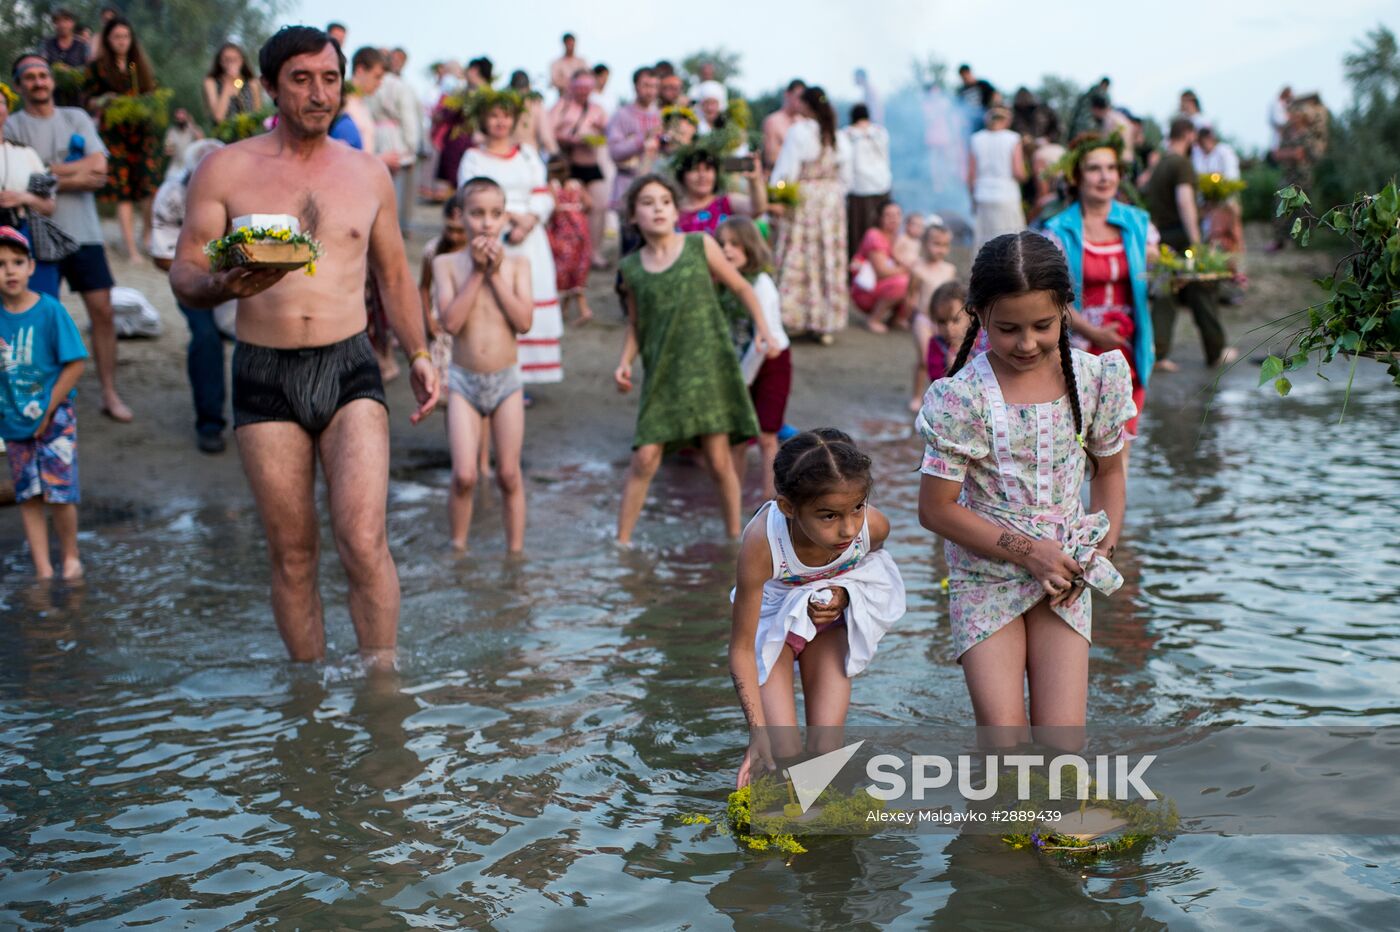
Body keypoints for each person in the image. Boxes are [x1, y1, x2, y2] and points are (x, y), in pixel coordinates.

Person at [169, 25, 439, 666]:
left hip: (349, 366)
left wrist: (421, 355)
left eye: (330, 78)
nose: (319, 94)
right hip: (264, 370)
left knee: (364, 541)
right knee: (292, 554)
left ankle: (381, 689)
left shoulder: (367, 173)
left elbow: (394, 276)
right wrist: (219, 282)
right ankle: (309, 692)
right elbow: (184, 271)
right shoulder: (225, 168)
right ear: (269, 85)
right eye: (301, 79)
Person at [916, 231, 1134, 734]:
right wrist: (1029, 551)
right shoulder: (962, 397)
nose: (1027, 343)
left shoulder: (1095, 379)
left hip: (1064, 575)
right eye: (1008, 328)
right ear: (978, 314)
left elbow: (1110, 474)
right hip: (984, 574)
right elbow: (935, 509)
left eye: (1042, 325)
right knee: (1004, 741)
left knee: (1063, 744)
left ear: (1065, 309)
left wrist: (1098, 554)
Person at [729, 428, 904, 786]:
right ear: (788, 508)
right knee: (781, 751)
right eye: (828, 516)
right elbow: (742, 649)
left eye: (857, 508)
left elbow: (873, 572)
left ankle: (816, 817)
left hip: (828, 627)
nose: (848, 530)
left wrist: (844, 594)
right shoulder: (763, 543)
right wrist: (756, 733)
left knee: (827, 752)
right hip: (772, 628)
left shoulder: (873, 528)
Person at [613, 174, 776, 545]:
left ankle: (735, 537)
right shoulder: (631, 268)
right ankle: (622, 542)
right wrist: (624, 362)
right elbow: (636, 324)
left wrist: (763, 328)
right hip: (663, 374)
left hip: (708, 369)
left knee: (718, 459)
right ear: (633, 216)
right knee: (645, 456)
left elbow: (741, 286)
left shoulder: (699, 245)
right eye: (647, 203)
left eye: (665, 202)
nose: (658, 209)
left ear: (676, 211)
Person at [8, 54, 133, 421]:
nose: (38, 81)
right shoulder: (12, 125)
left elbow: (100, 168)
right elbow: (19, 180)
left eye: (43, 75)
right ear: (19, 85)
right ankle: (41, 397)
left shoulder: (75, 117)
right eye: (29, 77)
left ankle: (109, 392)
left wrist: (44, 173)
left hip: (85, 232)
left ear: (51, 80)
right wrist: (73, 176)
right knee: (39, 316)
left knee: (103, 311)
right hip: (34, 235)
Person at [434, 178, 533, 552]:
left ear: (506, 217)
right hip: (464, 381)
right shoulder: (446, 264)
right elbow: (450, 323)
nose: (487, 222)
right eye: (477, 213)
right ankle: (458, 550)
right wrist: (477, 273)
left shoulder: (518, 264)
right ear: (461, 216)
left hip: (506, 381)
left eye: (495, 213)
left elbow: (524, 322)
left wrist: (494, 274)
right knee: (464, 475)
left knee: (508, 474)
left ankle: (515, 555)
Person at [1043, 133, 1156, 451]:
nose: (1105, 177)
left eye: (1111, 168)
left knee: (1122, 441)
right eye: (1094, 169)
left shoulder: (1139, 223)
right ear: (1076, 177)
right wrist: (1093, 332)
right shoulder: (1057, 230)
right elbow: (1051, 299)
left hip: (1129, 344)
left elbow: (1155, 277)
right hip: (1077, 344)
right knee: (1077, 442)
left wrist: (1175, 272)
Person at [0, 226, 88, 579]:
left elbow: (76, 362)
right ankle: (42, 568)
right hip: (12, 420)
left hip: (55, 418)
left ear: (31, 267)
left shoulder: (50, 310)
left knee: (60, 492)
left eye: (17, 262)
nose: (9, 270)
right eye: (1, 264)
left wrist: (49, 409)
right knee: (28, 495)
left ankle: (70, 557)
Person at [459, 90, 563, 386]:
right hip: (492, 235)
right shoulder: (473, 157)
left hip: (530, 240)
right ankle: (499, 371)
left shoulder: (527, 155)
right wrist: (507, 218)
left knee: (529, 296)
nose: (500, 122)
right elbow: (470, 197)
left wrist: (528, 221)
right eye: (494, 116)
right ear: (483, 119)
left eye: (506, 116)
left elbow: (542, 194)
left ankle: (528, 375)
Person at [149, 138, 232, 453]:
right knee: (206, 336)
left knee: (254, 338)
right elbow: (162, 256)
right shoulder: (171, 195)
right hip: (192, 276)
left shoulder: (240, 189)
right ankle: (210, 423)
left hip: (236, 277)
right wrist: (199, 275)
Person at [1143, 118, 1235, 369]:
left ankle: (1159, 353)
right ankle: (1216, 350)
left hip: (1161, 239)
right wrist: (1196, 242)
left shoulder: (1160, 164)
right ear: (1187, 134)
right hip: (1181, 238)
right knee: (1202, 290)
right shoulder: (1181, 164)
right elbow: (1184, 202)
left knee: (1165, 293)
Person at [717, 217, 791, 500]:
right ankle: (733, 500)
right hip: (740, 365)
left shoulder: (761, 284)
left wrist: (742, 381)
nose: (727, 250)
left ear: (749, 247)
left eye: (734, 244)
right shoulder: (722, 284)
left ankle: (770, 501)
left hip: (771, 360)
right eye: (722, 244)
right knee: (737, 438)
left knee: (766, 435)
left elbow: (765, 342)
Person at [771, 85, 851, 341]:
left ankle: (796, 317)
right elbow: (847, 178)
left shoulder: (799, 132)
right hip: (831, 202)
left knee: (801, 255)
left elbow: (786, 171)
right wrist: (833, 195)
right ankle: (824, 322)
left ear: (805, 105)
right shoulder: (840, 136)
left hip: (805, 199)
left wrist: (778, 195)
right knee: (827, 257)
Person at [83, 17, 160, 263]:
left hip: (141, 135)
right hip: (115, 136)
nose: (122, 41)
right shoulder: (98, 68)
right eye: (117, 37)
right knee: (122, 192)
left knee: (149, 188)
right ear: (108, 39)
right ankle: (131, 248)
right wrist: (104, 100)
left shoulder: (140, 66)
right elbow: (87, 100)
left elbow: (153, 95)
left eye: (125, 36)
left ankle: (147, 236)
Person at [549, 70, 609, 267]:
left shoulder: (597, 109)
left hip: (591, 164)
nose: (584, 91)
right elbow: (548, 132)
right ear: (572, 87)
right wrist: (569, 139)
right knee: (569, 211)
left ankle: (594, 252)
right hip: (569, 167)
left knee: (599, 206)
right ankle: (570, 254)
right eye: (580, 87)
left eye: (587, 87)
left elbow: (608, 131)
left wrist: (598, 134)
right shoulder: (562, 107)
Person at [370, 46, 423, 233]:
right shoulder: (399, 86)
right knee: (396, 190)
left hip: (376, 137)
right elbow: (409, 118)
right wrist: (412, 145)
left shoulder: (374, 83)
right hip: (396, 140)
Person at [419, 197, 469, 396]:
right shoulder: (432, 250)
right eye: (450, 229)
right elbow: (423, 287)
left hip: (466, 325)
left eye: (460, 230)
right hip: (440, 326)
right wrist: (428, 320)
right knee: (441, 387)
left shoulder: (475, 253)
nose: (454, 236)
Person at [907, 220, 958, 409]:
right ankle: (916, 395)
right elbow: (911, 295)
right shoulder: (918, 268)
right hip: (923, 318)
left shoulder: (949, 269)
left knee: (946, 359)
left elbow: (952, 296)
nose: (940, 249)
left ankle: (940, 395)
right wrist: (909, 317)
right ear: (924, 243)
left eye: (945, 245)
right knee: (923, 359)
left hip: (943, 321)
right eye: (936, 244)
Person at [0, 84, 56, 249]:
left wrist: (23, 198)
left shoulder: (26, 153)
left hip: (21, 239)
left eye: (1, 103)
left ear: (7, 111)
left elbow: (49, 206)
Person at [605, 67, 661, 230]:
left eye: (654, 86)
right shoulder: (622, 115)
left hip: (656, 186)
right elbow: (615, 151)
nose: (650, 91)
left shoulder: (661, 115)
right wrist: (642, 139)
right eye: (646, 85)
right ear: (636, 86)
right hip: (628, 185)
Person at [968, 105, 1026, 251]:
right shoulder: (1013, 138)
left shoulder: (976, 138)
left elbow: (971, 175)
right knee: (1011, 242)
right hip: (1007, 194)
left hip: (982, 195)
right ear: (1007, 120)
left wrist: (972, 198)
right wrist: (1026, 178)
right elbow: (1018, 171)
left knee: (984, 242)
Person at [674, 147, 767, 236]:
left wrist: (754, 180)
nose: (702, 175)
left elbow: (757, 209)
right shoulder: (673, 210)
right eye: (695, 169)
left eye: (708, 169)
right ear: (682, 175)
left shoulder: (725, 203)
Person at [849, 199, 909, 333]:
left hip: (882, 285)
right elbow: (882, 271)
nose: (893, 219)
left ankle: (897, 319)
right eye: (888, 215)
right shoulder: (874, 235)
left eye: (897, 214)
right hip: (866, 290)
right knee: (904, 282)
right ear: (880, 218)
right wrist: (908, 269)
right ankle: (874, 320)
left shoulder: (898, 237)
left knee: (915, 280)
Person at [841, 103, 892, 261]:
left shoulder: (846, 134)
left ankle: (860, 263)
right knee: (882, 228)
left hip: (859, 188)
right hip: (882, 186)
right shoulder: (881, 132)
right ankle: (883, 261)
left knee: (859, 231)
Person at [546, 177, 592, 325]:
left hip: (563, 232)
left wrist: (562, 212)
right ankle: (564, 310)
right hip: (580, 229)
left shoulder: (552, 186)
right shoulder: (577, 184)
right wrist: (577, 210)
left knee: (564, 269)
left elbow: (552, 207)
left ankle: (584, 310)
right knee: (577, 268)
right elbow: (589, 204)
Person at [1192, 125, 1243, 254]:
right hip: (1205, 201)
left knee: (1230, 226)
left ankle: (1235, 251)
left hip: (1226, 198)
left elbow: (1232, 177)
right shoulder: (1197, 154)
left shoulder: (1224, 151)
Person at [203, 43, 263, 125]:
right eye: (227, 59)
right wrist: (228, 86)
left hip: (248, 130)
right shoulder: (211, 82)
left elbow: (257, 114)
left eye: (235, 59)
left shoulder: (252, 83)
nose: (231, 63)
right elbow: (218, 118)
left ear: (242, 61)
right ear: (220, 61)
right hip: (222, 131)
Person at [761, 79, 805, 172]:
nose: (800, 102)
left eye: (803, 98)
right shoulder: (773, 122)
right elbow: (771, 158)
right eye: (798, 97)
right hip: (778, 176)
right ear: (787, 94)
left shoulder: (804, 122)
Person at [508, 70, 556, 156]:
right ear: (529, 86)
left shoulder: (505, 104)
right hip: (529, 156)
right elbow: (545, 136)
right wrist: (556, 153)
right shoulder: (536, 104)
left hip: (508, 155)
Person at [956, 64, 996, 129]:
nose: (965, 78)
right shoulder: (961, 90)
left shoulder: (982, 84)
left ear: (969, 73)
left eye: (966, 75)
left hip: (984, 113)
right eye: (962, 76)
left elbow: (995, 94)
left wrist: (991, 109)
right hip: (968, 117)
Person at [549, 33, 587, 97]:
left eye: (572, 43)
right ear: (564, 44)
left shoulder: (581, 62)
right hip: (564, 97)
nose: (570, 45)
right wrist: (575, 82)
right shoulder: (557, 63)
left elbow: (587, 79)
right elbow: (554, 81)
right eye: (568, 43)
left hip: (580, 98)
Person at [1267, 86, 1292, 155]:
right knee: (1275, 147)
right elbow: (1277, 119)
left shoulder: (1283, 104)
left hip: (1283, 131)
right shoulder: (1275, 104)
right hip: (1278, 129)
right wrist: (1287, 118)